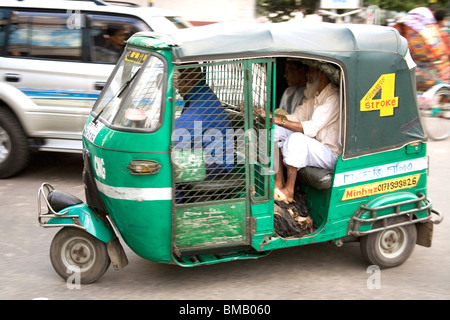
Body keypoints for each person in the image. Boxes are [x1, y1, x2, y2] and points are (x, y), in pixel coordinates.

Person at [263, 62, 341, 203]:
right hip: (314, 146)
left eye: (311, 70)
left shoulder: (333, 97)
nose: (307, 74)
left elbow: (311, 128)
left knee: (296, 138)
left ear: (322, 74)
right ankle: (278, 182)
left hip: (329, 153)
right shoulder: (313, 97)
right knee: (277, 129)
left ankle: (289, 191)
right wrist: (268, 117)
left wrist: (277, 120)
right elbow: (295, 118)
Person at [173, 66, 234, 176]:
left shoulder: (202, 102)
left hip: (217, 163)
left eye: (179, 81)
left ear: (189, 81)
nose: (177, 88)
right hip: (205, 154)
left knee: (171, 171)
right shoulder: (198, 95)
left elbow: (179, 133)